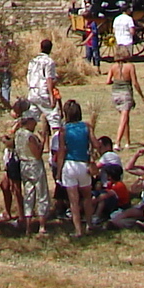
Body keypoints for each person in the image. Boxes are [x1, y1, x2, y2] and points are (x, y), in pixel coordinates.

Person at [56, 99, 94, 236]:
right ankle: (89, 224)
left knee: (74, 201)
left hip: (70, 165)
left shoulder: (64, 130)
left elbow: (61, 152)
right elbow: (95, 144)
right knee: (87, 197)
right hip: (83, 164)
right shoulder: (86, 127)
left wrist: (59, 172)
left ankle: (78, 229)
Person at [12, 109, 50, 235]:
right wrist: (43, 141)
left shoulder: (18, 134)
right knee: (41, 194)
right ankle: (42, 225)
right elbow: (37, 154)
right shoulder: (29, 137)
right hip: (34, 165)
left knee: (28, 194)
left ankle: (28, 226)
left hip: (24, 165)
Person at [107, 38, 144, 150]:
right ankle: (117, 142)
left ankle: (128, 142)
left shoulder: (113, 67)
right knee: (124, 119)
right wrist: (142, 96)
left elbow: (108, 81)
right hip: (126, 93)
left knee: (125, 118)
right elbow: (135, 83)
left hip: (115, 93)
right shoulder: (130, 66)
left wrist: (116, 81)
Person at [26, 37, 58, 110]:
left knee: (31, 117)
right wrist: (51, 97)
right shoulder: (49, 62)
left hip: (32, 92)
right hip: (43, 93)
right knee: (53, 117)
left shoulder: (33, 61)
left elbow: (29, 76)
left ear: (41, 48)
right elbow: (49, 79)